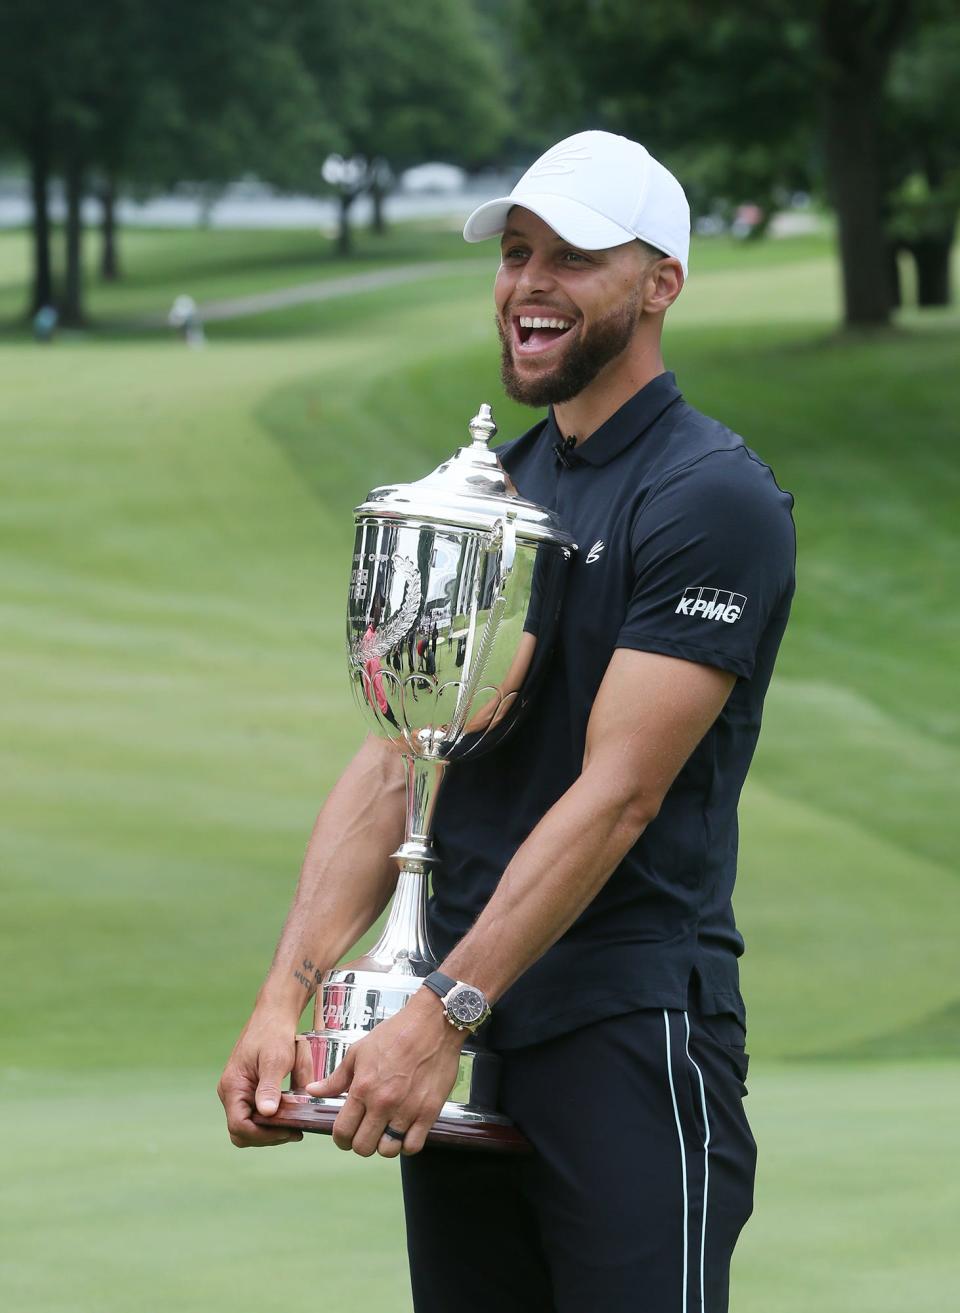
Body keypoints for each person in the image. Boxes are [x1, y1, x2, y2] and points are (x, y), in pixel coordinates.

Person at [218, 130, 796, 1313]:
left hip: (630, 1032)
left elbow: (619, 793)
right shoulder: (492, 491)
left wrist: (443, 1010)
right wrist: (290, 992)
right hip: (476, 1040)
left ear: (660, 282)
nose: (529, 283)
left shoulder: (712, 495)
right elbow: (400, 755)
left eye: (573, 256)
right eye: (516, 252)